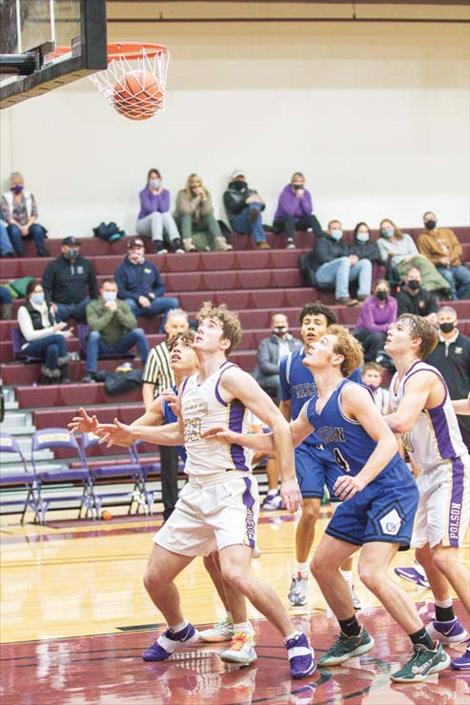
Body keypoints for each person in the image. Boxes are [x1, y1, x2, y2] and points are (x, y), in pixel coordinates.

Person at [209, 325, 449, 682]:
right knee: (322, 565)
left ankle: (428, 648)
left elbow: (387, 441)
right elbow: (282, 440)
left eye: (321, 342)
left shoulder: (352, 393)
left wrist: (360, 478)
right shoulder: (313, 406)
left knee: (370, 573)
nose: (311, 344)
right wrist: (237, 438)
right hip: (360, 492)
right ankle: (353, 634)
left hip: (390, 489)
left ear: (336, 358)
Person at [94, 303, 315, 680]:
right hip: (195, 492)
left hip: (230, 486)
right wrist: (133, 434)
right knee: (155, 578)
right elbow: (182, 434)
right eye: (201, 323)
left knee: (236, 573)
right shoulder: (188, 383)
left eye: (209, 326)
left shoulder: (233, 378)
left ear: (225, 341)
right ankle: (180, 629)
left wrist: (290, 478)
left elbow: (279, 422)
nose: (199, 329)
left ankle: (295, 639)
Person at [384, 314, 470, 672]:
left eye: (399, 329)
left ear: (416, 342)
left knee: (446, 556)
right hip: (425, 473)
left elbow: (400, 422)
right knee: (422, 553)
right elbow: (402, 437)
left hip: (450, 469)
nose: (389, 330)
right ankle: (447, 620)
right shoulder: (397, 381)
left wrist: (352, 418)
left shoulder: (422, 374)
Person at [279, 304, 362, 609]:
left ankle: (348, 583)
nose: (311, 327)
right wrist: (281, 444)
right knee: (311, 510)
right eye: (306, 322)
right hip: (305, 446)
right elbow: (285, 410)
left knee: (346, 513)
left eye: (318, 322)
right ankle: (300, 573)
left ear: (330, 331)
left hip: (337, 445)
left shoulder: (346, 372)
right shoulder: (289, 363)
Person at [142, 308, 190, 522]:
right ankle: (170, 511)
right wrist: (150, 414)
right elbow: (148, 386)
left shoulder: (195, 351)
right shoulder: (157, 353)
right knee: (169, 465)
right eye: (174, 326)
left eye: (182, 326)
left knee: (194, 458)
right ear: (166, 328)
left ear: (188, 328)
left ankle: (191, 507)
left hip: (191, 409)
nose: (178, 330)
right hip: (165, 410)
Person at [82, 278, 149, 382]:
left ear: (117, 292)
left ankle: (149, 368)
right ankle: (91, 372)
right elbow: (94, 326)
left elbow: (133, 324)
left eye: (113, 291)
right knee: (94, 335)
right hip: (101, 345)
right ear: (101, 291)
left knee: (139, 332)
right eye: (108, 290)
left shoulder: (123, 304)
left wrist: (117, 311)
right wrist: (109, 312)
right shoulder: (92, 306)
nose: (111, 293)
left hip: (120, 344)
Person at [425, 306, 470, 451]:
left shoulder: (467, 344)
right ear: (437, 321)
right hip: (435, 403)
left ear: (456, 321)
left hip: (462, 404)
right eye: (442, 319)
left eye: (448, 319)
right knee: (437, 446)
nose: (445, 322)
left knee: (465, 443)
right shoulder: (430, 345)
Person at [115, 237, 180, 328]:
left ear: (143, 250)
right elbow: (120, 292)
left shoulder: (151, 266)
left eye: (138, 249)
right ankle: (133, 333)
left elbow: (161, 287)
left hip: (151, 302)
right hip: (134, 303)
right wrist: (138, 298)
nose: (136, 251)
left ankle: (162, 333)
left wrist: (153, 295)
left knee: (173, 303)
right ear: (128, 251)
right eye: (133, 249)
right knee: (127, 305)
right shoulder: (121, 269)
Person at [17, 280, 72, 384]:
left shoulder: (48, 307)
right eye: (36, 292)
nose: (39, 294)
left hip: (49, 342)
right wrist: (54, 331)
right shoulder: (23, 310)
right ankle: (65, 374)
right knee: (59, 339)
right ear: (29, 295)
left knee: (54, 349)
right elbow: (29, 336)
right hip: (31, 345)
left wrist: (63, 333)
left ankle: (47, 379)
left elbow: (54, 329)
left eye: (40, 291)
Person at [377, 218, 450, 295]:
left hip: (413, 259)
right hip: (400, 264)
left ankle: (444, 286)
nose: (386, 230)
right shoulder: (381, 242)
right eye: (383, 229)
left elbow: (415, 252)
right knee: (416, 272)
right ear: (381, 231)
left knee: (426, 264)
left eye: (388, 227)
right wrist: (390, 257)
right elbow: (384, 260)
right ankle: (430, 288)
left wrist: (410, 257)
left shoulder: (406, 237)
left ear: (393, 227)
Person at [312, 220, 372, 306]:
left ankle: (364, 296)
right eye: (334, 228)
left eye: (339, 229)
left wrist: (353, 259)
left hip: (340, 273)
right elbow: (322, 257)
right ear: (328, 231)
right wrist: (344, 260)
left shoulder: (342, 244)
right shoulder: (322, 241)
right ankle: (342, 297)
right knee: (344, 260)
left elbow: (348, 257)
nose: (337, 231)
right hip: (323, 273)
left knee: (365, 262)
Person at [42, 236, 98, 323]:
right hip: (61, 306)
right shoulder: (53, 265)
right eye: (70, 246)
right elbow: (45, 287)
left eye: (76, 246)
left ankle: (90, 334)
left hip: (81, 304)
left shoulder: (86, 264)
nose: (73, 249)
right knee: (49, 311)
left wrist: (94, 301)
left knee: (94, 306)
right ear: (62, 248)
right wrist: (48, 303)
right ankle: (60, 334)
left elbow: (93, 285)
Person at [418, 211, 470, 300]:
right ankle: (455, 302)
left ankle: (459, 299)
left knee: (467, 278)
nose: (430, 220)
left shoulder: (447, 232)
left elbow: (457, 247)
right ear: (424, 222)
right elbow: (425, 258)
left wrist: (450, 258)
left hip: (455, 264)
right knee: (448, 277)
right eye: (427, 219)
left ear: (436, 219)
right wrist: (439, 261)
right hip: (439, 268)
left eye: (432, 218)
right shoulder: (422, 238)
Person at [174, 174, 232, 252]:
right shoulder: (182, 194)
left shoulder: (206, 193)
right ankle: (187, 242)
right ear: (189, 186)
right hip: (185, 224)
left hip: (199, 223)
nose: (197, 189)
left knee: (210, 215)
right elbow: (185, 210)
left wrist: (204, 199)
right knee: (187, 215)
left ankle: (220, 241)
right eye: (194, 187)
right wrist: (197, 198)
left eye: (199, 186)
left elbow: (208, 212)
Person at [252, 313, 302, 399]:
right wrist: (285, 370)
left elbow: (301, 362)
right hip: (269, 377)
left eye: (282, 322)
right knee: (280, 381)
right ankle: (282, 411)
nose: (280, 325)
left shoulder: (297, 343)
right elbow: (265, 366)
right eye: (277, 322)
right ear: (272, 326)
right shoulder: (265, 344)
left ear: (287, 324)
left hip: (292, 374)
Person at [0, 172, 49, 257]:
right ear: (10, 185)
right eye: (14, 184)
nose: (17, 186)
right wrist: (20, 227)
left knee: (38, 229)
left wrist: (26, 226)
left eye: (19, 183)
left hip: (28, 224)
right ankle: (21, 254)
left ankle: (42, 252)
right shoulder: (5, 197)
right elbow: (7, 217)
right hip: (13, 225)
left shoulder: (29, 195)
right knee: (15, 231)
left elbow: (34, 213)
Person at [136, 168, 183, 254]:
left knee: (166, 214)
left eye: (156, 178)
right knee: (156, 214)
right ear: (148, 180)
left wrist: (159, 195)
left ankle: (176, 242)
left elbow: (164, 209)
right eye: (152, 178)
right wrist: (154, 195)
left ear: (160, 179)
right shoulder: (143, 193)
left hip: (160, 225)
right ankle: (158, 245)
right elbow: (151, 209)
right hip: (144, 225)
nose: (154, 180)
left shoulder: (165, 193)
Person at [272, 173, 322, 248]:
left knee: (312, 218)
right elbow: (289, 212)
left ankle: (321, 239)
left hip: (298, 222)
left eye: (301, 181)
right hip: (284, 222)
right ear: (292, 182)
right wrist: (297, 198)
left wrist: (302, 198)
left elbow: (308, 211)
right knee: (290, 218)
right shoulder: (285, 194)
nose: (299, 183)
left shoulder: (306, 193)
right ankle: (290, 241)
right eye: (296, 181)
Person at [353, 279, 397, 362]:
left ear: (388, 291)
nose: (382, 292)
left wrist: (388, 327)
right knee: (378, 336)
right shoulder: (368, 302)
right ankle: (369, 359)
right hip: (364, 332)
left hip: (382, 333)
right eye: (379, 290)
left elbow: (393, 322)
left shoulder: (393, 302)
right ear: (374, 291)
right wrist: (386, 327)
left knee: (384, 336)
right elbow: (370, 326)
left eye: (384, 290)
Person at [223, 170, 269, 249]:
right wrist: (246, 201)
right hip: (238, 223)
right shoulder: (228, 193)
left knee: (255, 206)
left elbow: (262, 208)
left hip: (252, 219)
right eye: (238, 177)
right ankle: (261, 241)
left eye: (242, 177)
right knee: (253, 207)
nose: (240, 179)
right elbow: (234, 209)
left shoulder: (252, 191)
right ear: (233, 179)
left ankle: (253, 216)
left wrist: (262, 203)